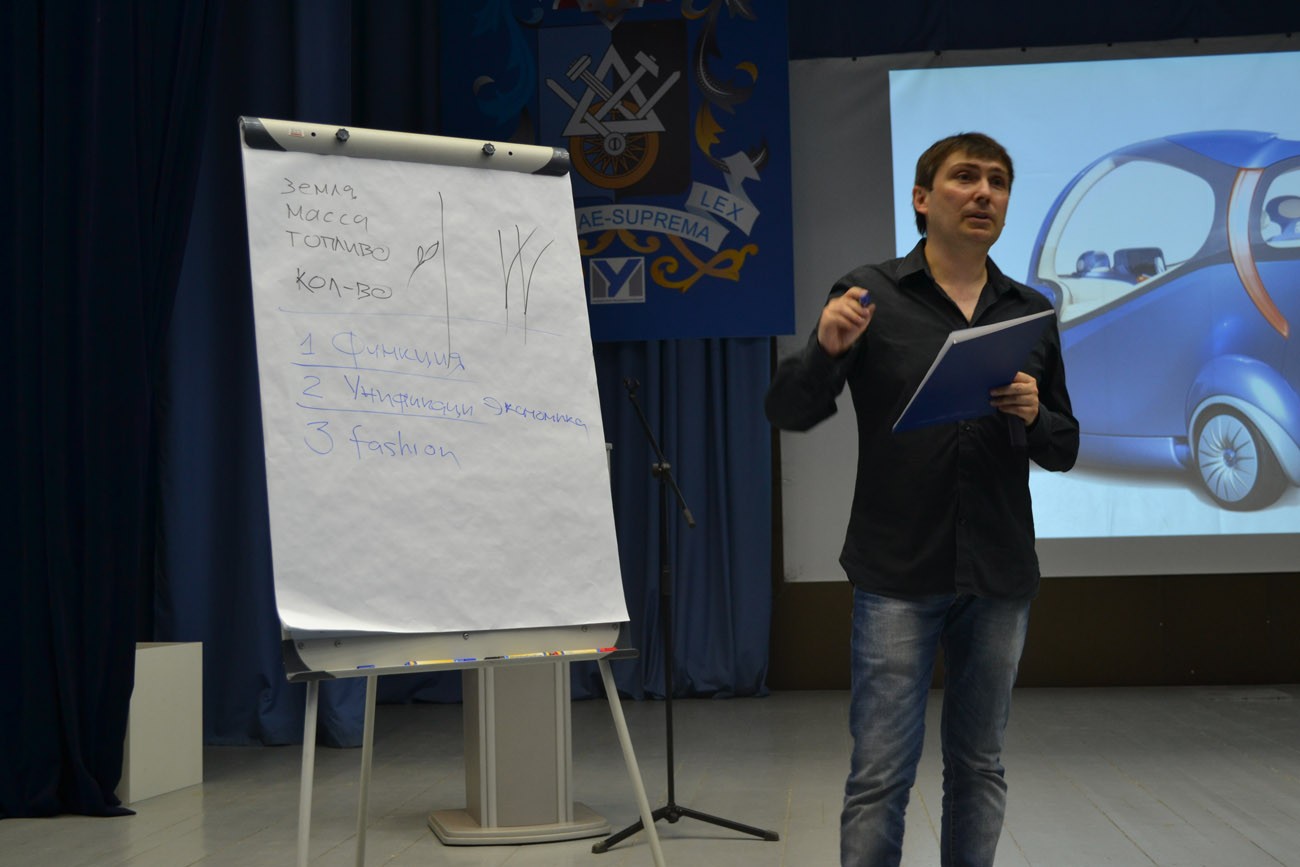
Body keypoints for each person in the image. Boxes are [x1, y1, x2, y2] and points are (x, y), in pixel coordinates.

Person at [765, 132, 1079, 867]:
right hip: (897, 572)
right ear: (921, 197)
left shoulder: (1028, 310)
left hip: (998, 572)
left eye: (998, 181)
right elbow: (789, 409)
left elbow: (1063, 446)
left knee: (980, 767)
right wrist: (825, 349)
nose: (984, 192)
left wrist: (1036, 414)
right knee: (880, 775)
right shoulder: (868, 295)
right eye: (965, 177)